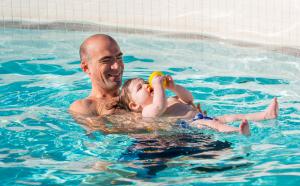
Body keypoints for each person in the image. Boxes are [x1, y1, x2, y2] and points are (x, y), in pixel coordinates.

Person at [119, 75, 279, 135]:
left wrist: (173, 87)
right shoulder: (147, 111)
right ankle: (237, 131)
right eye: (140, 88)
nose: (147, 85)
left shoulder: (169, 100)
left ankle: (265, 115)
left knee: (232, 116)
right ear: (134, 105)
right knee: (212, 124)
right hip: (192, 124)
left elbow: (189, 99)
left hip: (201, 116)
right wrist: (158, 86)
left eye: (146, 82)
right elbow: (159, 107)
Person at [69, 34, 124, 117]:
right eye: (106, 60)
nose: (117, 66)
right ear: (86, 67)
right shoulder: (84, 107)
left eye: (119, 58)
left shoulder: (137, 92)